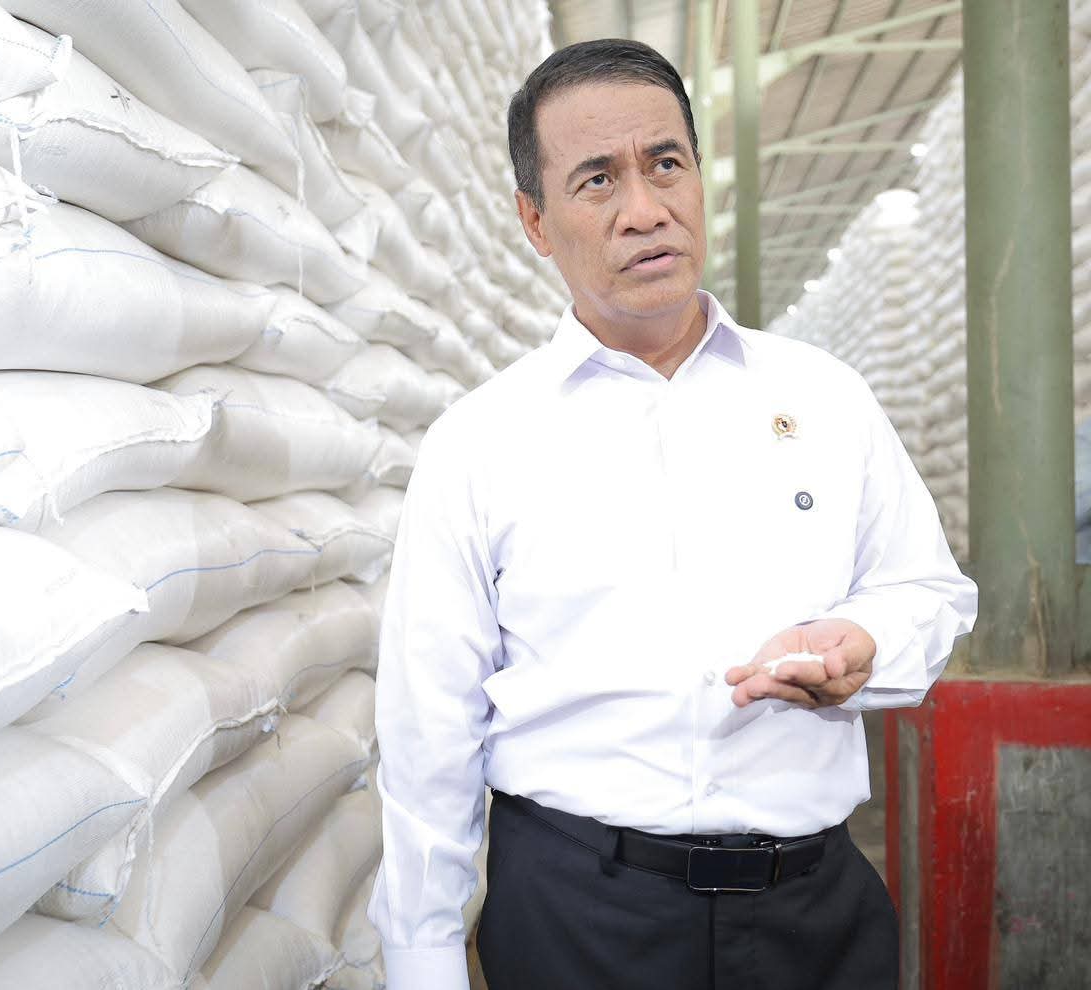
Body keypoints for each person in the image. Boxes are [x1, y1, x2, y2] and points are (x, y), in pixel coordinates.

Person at [365, 37, 977, 990]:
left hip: (814, 915)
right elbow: (428, 729)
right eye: (597, 179)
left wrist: (866, 640)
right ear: (535, 220)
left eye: (664, 164)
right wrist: (424, 959)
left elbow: (926, 589)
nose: (644, 209)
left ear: (699, 176)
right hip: (580, 919)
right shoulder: (480, 443)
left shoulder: (825, 397)